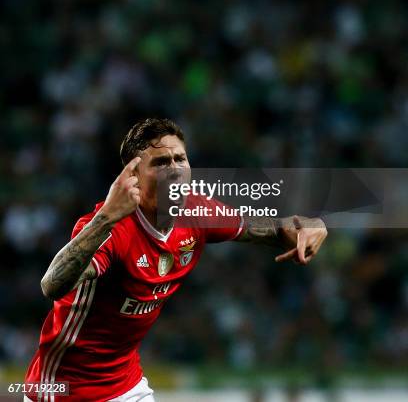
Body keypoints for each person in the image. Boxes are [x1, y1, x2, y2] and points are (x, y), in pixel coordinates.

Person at [25, 118, 327, 402]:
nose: (175, 169)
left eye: (180, 159)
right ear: (133, 177)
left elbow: (274, 228)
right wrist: (105, 217)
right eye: (160, 162)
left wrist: (312, 225)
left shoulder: (197, 213)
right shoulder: (110, 228)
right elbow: (52, 285)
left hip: (126, 386)